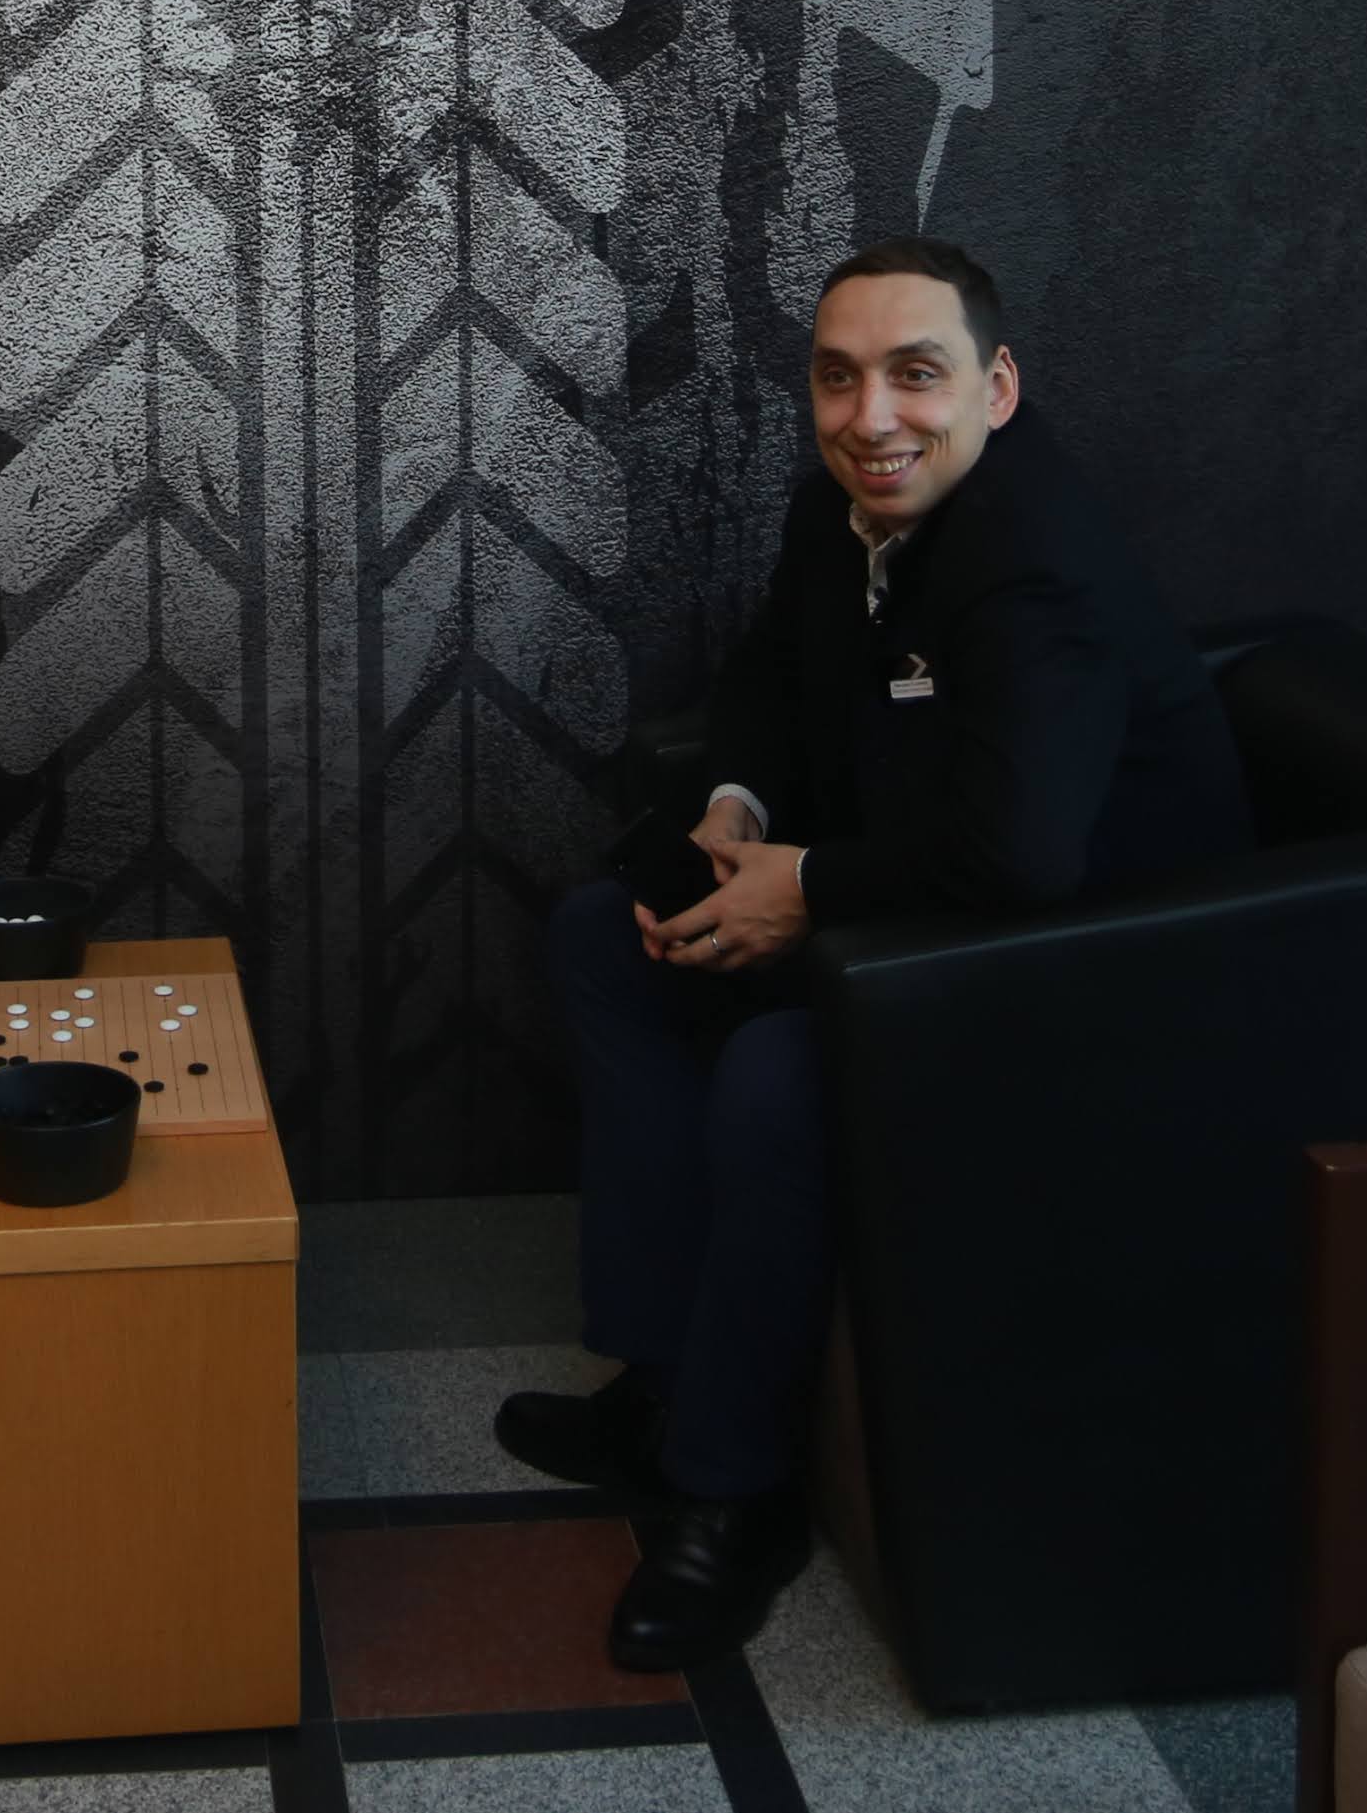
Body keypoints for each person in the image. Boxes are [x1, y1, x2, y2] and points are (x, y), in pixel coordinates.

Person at [500, 235, 1250, 1668]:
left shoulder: (1034, 569)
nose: (871, 416)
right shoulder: (840, 515)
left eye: (916, 374)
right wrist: (737, 808)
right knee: (611, 933)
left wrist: (806, 888)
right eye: (838, 379)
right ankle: (659, 1381)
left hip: (1100, 974)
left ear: (997, 387)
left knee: (783, 1068)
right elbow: (770, 684)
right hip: (937, 925)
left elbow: (1024, 858)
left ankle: (735, 1491)